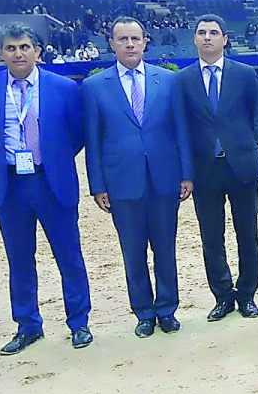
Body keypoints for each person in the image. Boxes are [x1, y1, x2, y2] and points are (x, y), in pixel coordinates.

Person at [0, 25, 92, 354]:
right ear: (1, 52)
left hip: (51, 181)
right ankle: (28, 324)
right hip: (10, 185)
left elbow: (76, 135)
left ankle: (79, 323)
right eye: (11, 47)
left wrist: (53, 159)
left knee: (69, 255)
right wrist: (6, 159)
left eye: (25, 47)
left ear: (38, 52)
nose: (18, 53)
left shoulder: (64, 89)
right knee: (19, 259)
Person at [82, 17, 193, 338]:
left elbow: (180, 131)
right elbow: (93, 140)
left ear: (145, 42)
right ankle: (143, 312)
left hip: (165, 179)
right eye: (122, 39)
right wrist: (97, 185)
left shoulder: (168, 81)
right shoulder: (93, 86)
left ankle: (168, 309)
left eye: (135, 38)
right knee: (132, 252)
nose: (130, 44)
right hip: (121, 183)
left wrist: (187, 173)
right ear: (112, 44)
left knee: (165, 249)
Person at [176, 14, 258, 322]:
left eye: (213, 32)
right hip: (205, 172)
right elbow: (182, 129)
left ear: (225, 39)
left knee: (248, 232)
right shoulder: (183, 79)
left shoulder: (244, 74)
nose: (207, 37)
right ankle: (222, 296)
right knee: (211, 237)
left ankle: (247, 295)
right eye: (201, 32)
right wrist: (185, 173)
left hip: (241, 166)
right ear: (194, 39)